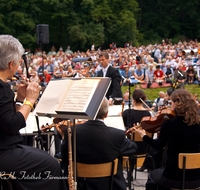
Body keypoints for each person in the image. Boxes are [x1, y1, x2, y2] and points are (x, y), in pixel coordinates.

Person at [0, 35, 67, 190]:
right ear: (11, 64)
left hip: (5, 148)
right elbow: (13, 126)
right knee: (52, 166)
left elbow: (8, 120)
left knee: (43, 158)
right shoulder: (2, 88)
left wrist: (19, 100)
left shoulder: (3, 87)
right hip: (4, 152)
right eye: (17, 64)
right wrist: (30, 100)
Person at [57, 97, 137, 190]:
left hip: (81, 184)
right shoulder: (117, 134)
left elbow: (65, 156)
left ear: (87, 112)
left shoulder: (72, 130)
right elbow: (133, 148)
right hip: (109, 185)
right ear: (106, 114)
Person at [132, 89, 200, 190]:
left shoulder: (170, 124)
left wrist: (144, 136)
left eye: (171, 103)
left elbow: (158, 146)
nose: (170, 106)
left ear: (177, 103)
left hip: (174, 177)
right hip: (197, 178)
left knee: (152, 175)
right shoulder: (198, 122)